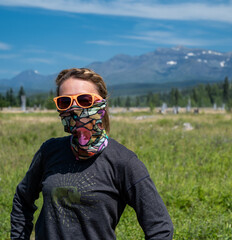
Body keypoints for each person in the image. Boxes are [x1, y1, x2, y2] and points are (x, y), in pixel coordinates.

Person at [10, 68, 174, 239]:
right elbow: (22, 199)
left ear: (101, 104)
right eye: (65, 102)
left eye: (85, 100)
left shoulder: (124, 161)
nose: (75, 109)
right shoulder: (49, 151)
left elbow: (160, 227)